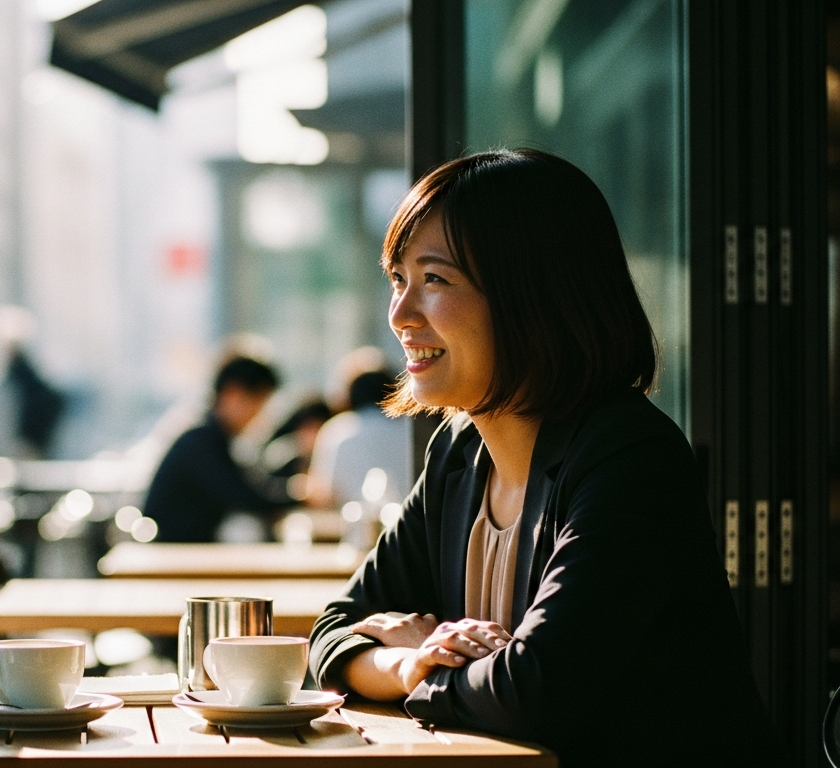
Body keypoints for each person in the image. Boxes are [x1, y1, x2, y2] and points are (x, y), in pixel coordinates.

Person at [309, 150, 776, 767]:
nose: (400, 315)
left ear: (530, 296)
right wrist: (406, 662)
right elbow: (333, 630)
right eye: (399, 280)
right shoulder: (458, 452)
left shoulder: (630, 457)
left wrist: (430, 673)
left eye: (435, 280)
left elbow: (535, 691)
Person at [143, 355, 291, 543]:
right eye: (259, 403)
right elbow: (246, 498)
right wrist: (300, 495)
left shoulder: (210, 438)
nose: (259, 414)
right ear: (233, 394)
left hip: (183, 552)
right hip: (172, 556)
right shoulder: (201, 443)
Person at [305, 366, 413, 512]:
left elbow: (324, 495)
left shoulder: (338, 430)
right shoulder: (411, 430)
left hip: (355, 528)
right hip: (409, 526)